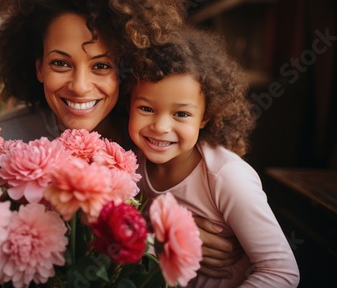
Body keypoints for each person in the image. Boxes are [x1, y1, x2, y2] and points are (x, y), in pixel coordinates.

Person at [0, 0, 242, 277]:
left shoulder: (155, 136)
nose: (80, 87)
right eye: (60, 63)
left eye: (101, 66)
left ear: (127, 70)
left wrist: (181, 231)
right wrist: (160, 235)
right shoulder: (5, 143)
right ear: (38, 67)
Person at [125, 26, 300, 287]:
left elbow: (280, 272)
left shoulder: (227, 178)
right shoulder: (129, 166)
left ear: (205, 116)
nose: (161, 126)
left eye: (181, 114)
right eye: (147, 108)